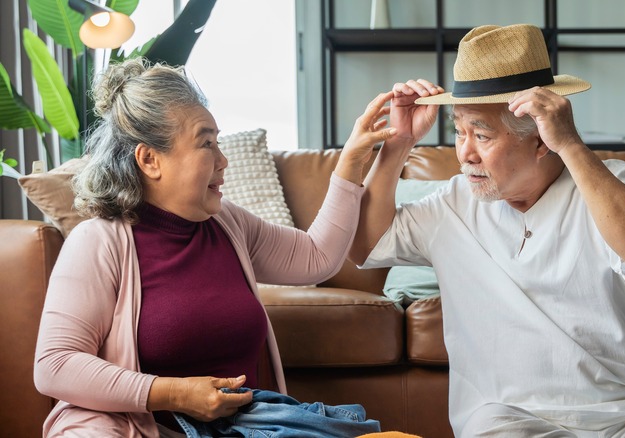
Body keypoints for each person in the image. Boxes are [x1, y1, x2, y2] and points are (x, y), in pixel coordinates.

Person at [349, 24, 625, 437]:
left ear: (540, 138)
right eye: (459, 131)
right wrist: (398, 145)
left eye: (481, 135)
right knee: (488, 427)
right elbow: (363, 247)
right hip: (519, 423)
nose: (465, 153)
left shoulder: (611, 181)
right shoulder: (452, 203)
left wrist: (571, 144)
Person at [33, 57, 398, 437]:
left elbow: (316, 257)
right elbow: (55, 364)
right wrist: (174, 393)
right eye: (206, 144)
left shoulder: (228, 224)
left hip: (241, 428)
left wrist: (355, 158)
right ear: (150, 160)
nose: (223, 161)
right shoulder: (98, 241)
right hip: (134, 428)